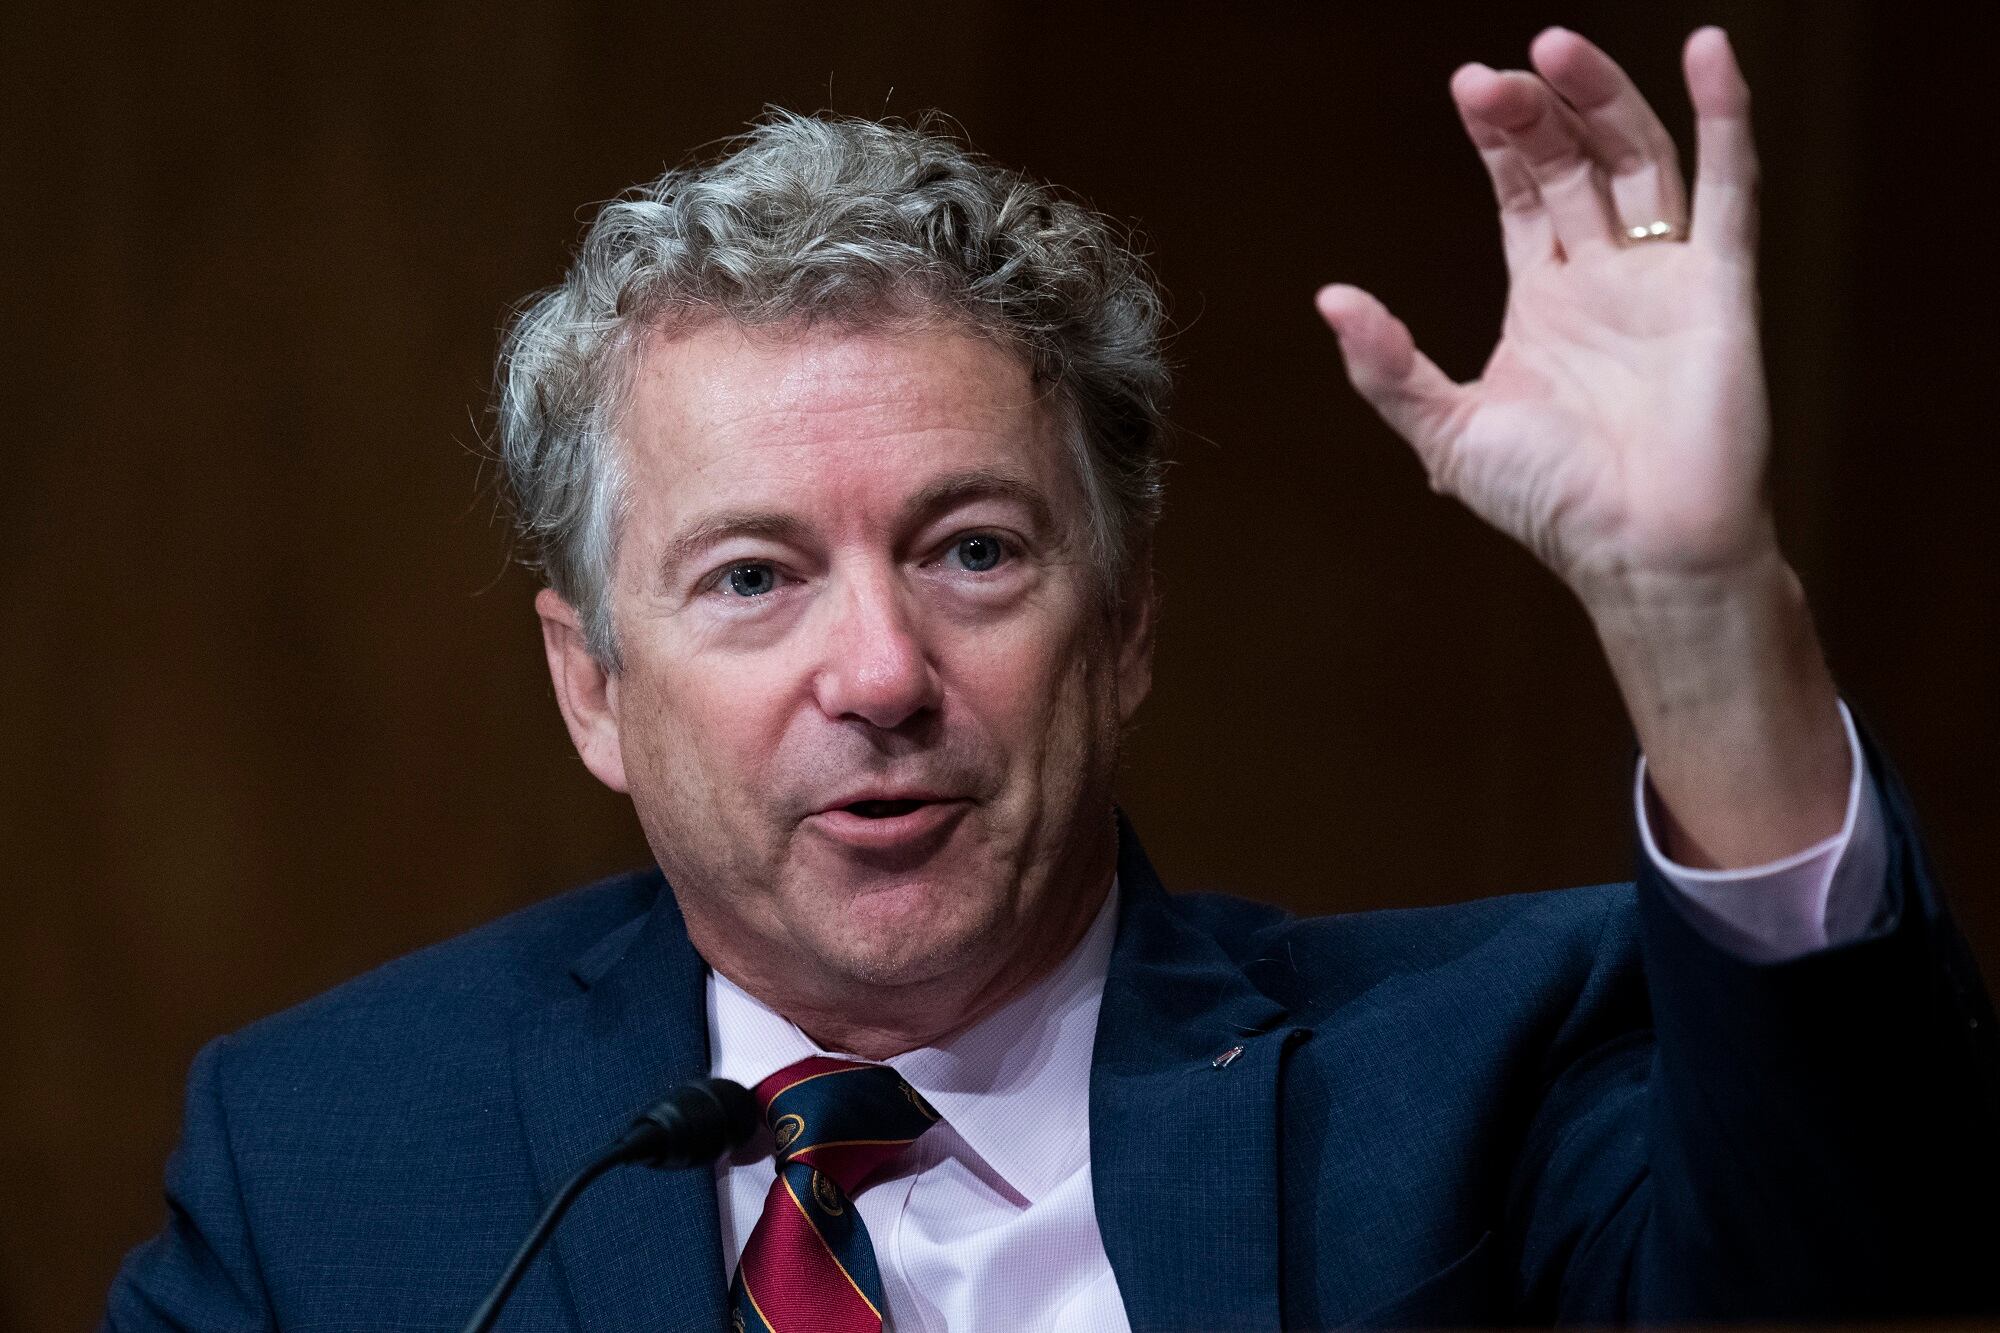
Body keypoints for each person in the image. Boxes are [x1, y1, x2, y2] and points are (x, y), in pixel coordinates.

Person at [105, 25, 1998, 1331]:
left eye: (974, 552)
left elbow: (1850, 1251)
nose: (882, 670)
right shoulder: (332, 1151)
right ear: (590, 685)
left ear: (1132, 621)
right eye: (755, 576)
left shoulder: (1473, 1082)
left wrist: (1697, 607)